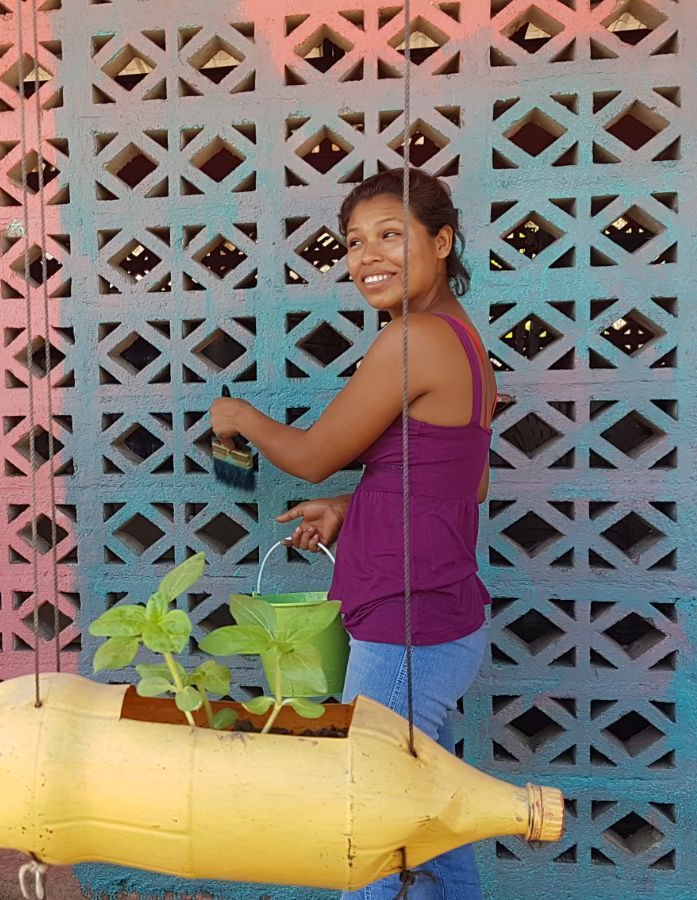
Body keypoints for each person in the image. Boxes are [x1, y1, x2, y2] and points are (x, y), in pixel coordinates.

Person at [210, 168, 494, 900]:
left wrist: (238, 418)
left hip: (406, 625)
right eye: (354, 241)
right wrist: (352, 505)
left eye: (391, 236)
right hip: (436, 616)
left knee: (364, 827)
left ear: (441, 240)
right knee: (428, 825)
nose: (366, 256)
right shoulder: (463, 340)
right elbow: (465, 480)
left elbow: (308, 457)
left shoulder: (413, 340)